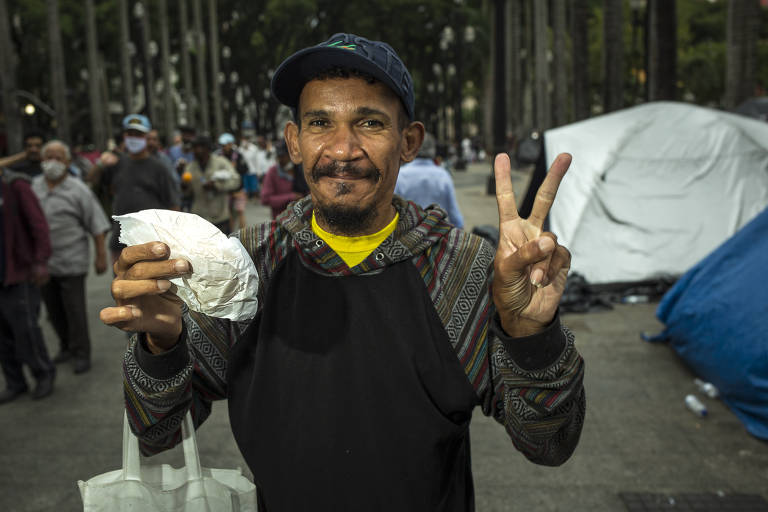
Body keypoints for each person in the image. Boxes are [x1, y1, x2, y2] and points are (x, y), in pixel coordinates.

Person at [102, 33, 584, 511]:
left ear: (408, 141)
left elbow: (550, 444)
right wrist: (162, 346)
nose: (341, 149)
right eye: (319, 123)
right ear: (294, 141)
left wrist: (531, 335)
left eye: (370, 123)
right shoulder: (244, 267)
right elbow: (157, 432)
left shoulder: (465, 269)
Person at [32, 140, 110, 374]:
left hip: (72, 260)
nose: (53, 162)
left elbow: (97, 226)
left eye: (58, 157)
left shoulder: (78, 190)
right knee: (53, 310)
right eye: (49, 157)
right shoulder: (34, 186)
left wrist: (100, 256)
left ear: (67, 162)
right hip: (44, 264)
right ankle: (65, 347)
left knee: (74, 310)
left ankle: (81, 353)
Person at [0, 164, 55, 404]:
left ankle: (43, 373)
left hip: (18, 273)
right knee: (2, 335)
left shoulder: (16, 186)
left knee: (26, 330)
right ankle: (15, 382)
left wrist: (40, 261)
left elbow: (38, 225)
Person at [104, 114, 181, 263]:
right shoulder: (117, 164)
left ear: (146, 137)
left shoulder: (159, 168)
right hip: (121, 238)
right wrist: (102, 163)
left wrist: (173, 238)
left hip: (151, 239)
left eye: (138, 134)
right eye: (130, 134)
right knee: (122, 283)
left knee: (152, 283)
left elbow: (173, 203)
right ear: (124, 136)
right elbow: (98, 184)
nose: (134, 138)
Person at [395, 132, 465, 228]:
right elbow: (454, 214)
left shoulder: (400, 175)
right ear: (433, 150)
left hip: (408, 235)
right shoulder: (443, 175)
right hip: (438, 236)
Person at [183, 136, 241, 233]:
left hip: (220, 217)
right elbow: (187, 193)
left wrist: (216, 186)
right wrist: (184, 186)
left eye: (201, 147)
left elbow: (236, 181)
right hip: (199, 219)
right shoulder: (190, 168)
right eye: (195, 148)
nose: (198, 150)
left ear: (208, 148)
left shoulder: (221, 162)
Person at [259, 140, 305, 218]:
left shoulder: (301, 169)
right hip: (281, 218)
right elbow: (265, 199)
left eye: (283, 156)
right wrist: (291, 197)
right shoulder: (273, 172)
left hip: (303, 218)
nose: (280, 160)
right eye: (278, 156)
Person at [215, 133, 249, 230]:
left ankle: (243, 234)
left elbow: (245, 169)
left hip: (238, 189)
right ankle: (230, 234)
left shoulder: (238, 155)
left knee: (240, 211)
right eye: (222, 145)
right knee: (228, 212)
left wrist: (235, 167)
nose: (224, 147)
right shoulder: (218, 156)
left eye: (226, 144)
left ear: (231, 144)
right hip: (225, 189)